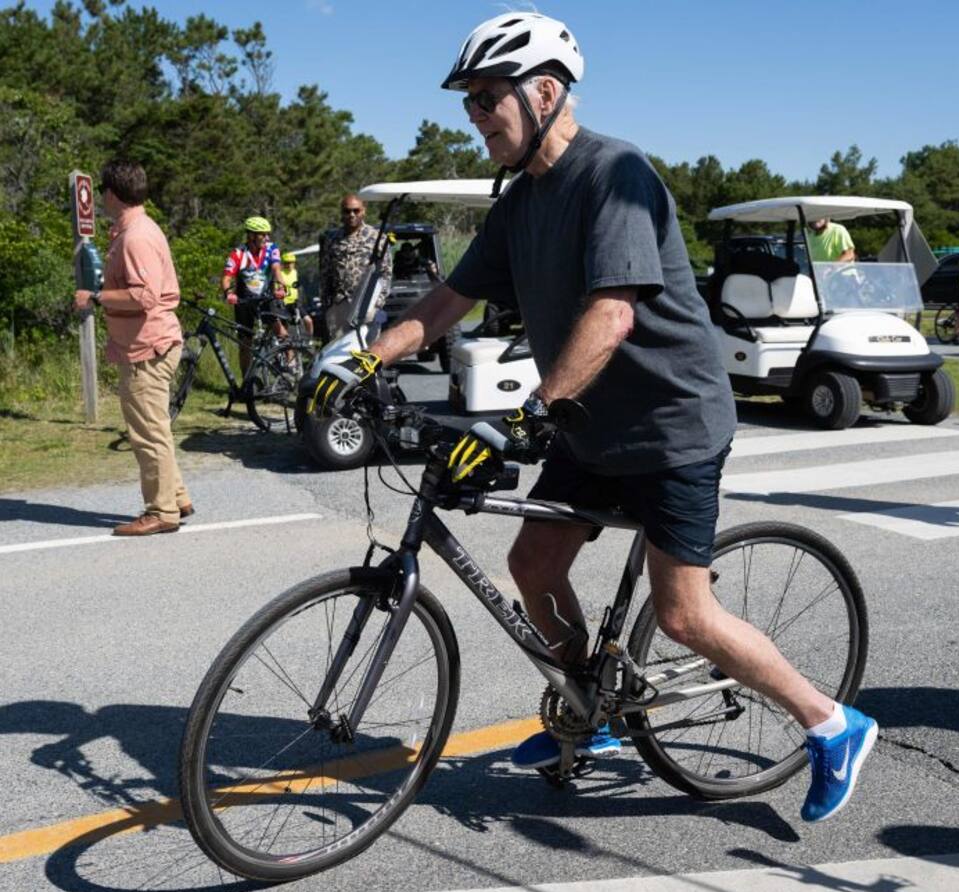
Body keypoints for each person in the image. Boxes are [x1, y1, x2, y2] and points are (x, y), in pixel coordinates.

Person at [311, 12, 876, 822]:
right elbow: (446, 300)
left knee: (683, 613)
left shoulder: (618, 175)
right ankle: (590, 708)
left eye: (485, 98)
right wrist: (369, 356)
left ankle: (831, 723)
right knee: (535, 566)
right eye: (468, 102)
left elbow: (613, 314)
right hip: (589, 423)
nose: (474, 116)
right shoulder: (519, 201)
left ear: (545, 92)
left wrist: (526, 415)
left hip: (670, 423)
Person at [73, 160, 193, 536]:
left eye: (102, 194)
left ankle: (161, 512)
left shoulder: (136, 236)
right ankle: (177, 497)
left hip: (147, 348)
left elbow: (143, 296)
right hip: (149, 343)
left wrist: (94, 296)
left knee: (147, 433)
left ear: (110, 194)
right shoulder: (134, 230)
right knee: (155, 428)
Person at [221, 217, 286, 378]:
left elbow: (276, 269)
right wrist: (229, 293)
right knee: (245, 343)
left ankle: (291, 368)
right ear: (251, 236)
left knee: (281, 332)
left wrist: (281, 286)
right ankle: (247, 380)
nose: (267, 238)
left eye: (267, 235)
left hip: (266, 298)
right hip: (244, 301)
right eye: (263, 235)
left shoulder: (272, 249)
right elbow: (226, 278)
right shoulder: (238, 254)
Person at [319, 194, 381, 339]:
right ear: (342, 213)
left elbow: (385, 272)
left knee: (368, 349)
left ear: (363, 211)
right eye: (347, 211)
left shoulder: (376, 237)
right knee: (339, 349)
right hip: (340, 304)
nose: (351, 215)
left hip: (367, 303)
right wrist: (326, 304)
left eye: (356, 210)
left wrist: (378, 302)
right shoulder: (331, 239)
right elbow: (325, 273)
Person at [278, 250, 313, 337]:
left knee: (309, 321)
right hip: (284, 304)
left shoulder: (295, 272)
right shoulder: (280, 274)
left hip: (295, 303)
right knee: (284, 327)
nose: (289, 265)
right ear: (283, 263)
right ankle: (283, 346)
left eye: (291, 263)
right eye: (287, 263)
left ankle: (309, 340)